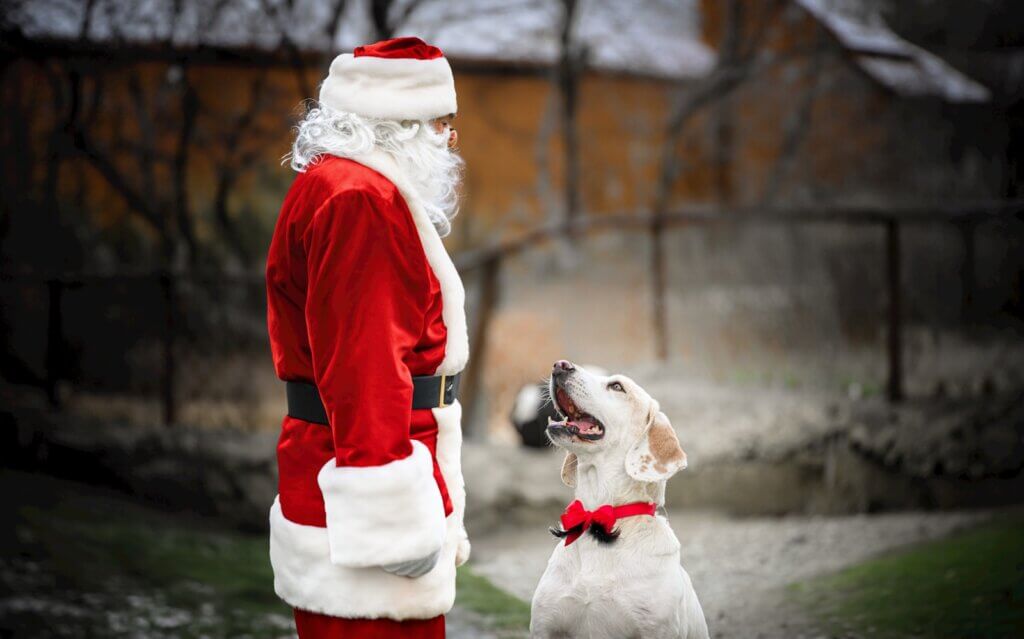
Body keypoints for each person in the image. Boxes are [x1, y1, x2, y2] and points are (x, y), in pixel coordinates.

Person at [264, 36, 470, 639]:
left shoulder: (336, 186)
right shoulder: (361, 201)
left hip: (346, 466)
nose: (449, 139)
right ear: (399, 123)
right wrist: (390, 520)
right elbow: (365, 363)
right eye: (440, 122)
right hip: (367, 480)